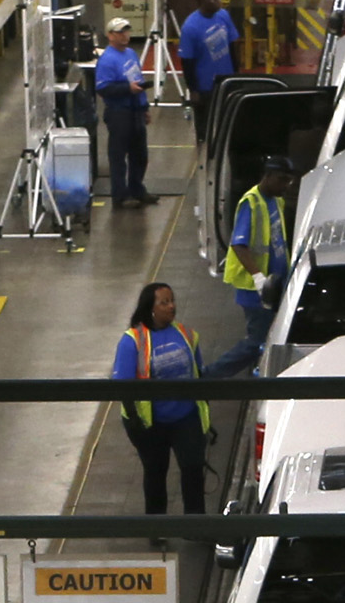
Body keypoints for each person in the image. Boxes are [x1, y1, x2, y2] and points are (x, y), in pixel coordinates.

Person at [107, 282, 208, 516]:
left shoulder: (186, 334)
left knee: (193, 470)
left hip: (186, 418)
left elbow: (199, 371)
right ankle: (157, 525)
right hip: (151, 424)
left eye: (172, 301)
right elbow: (123, 386)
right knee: (155, 473)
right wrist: (135, 421)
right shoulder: (132, 341)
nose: (171, 306)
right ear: (150, 308)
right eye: (164, 302)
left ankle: (196, 525)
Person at [218, 156, 297, 363]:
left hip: (274, 285)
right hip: (257, 289)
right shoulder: (251, 203)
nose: (285, 185)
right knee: (256, 343)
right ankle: (209, 375)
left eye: (289, 181)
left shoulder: (276, 201)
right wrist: (258, 277)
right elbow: (238, 245)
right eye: (282, 179)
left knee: (267, 338)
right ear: (268, 176)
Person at [93, 15, 151, 207]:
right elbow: (103, 88)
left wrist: (144, 107)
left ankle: (137, 189)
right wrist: (127, 89)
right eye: (120, 32)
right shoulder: (107, 60)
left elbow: (138, 80)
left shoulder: (131, 54)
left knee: (140, 155)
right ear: (110, 35)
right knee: (118, 157)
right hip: (119, 113)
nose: (125, 35)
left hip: (135, 111)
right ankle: (120, 196)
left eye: (126, 31)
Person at [176, 0, 239, 155]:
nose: (219, 1)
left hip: (226, 81)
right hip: (205, 86)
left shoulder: (223, 16)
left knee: (227, 121)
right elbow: (187, 61)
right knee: (206, 127)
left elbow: (232, 46)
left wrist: (236, 75)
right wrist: (193, 90)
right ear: (206, 2)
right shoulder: (191, 27)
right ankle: (204, 155)